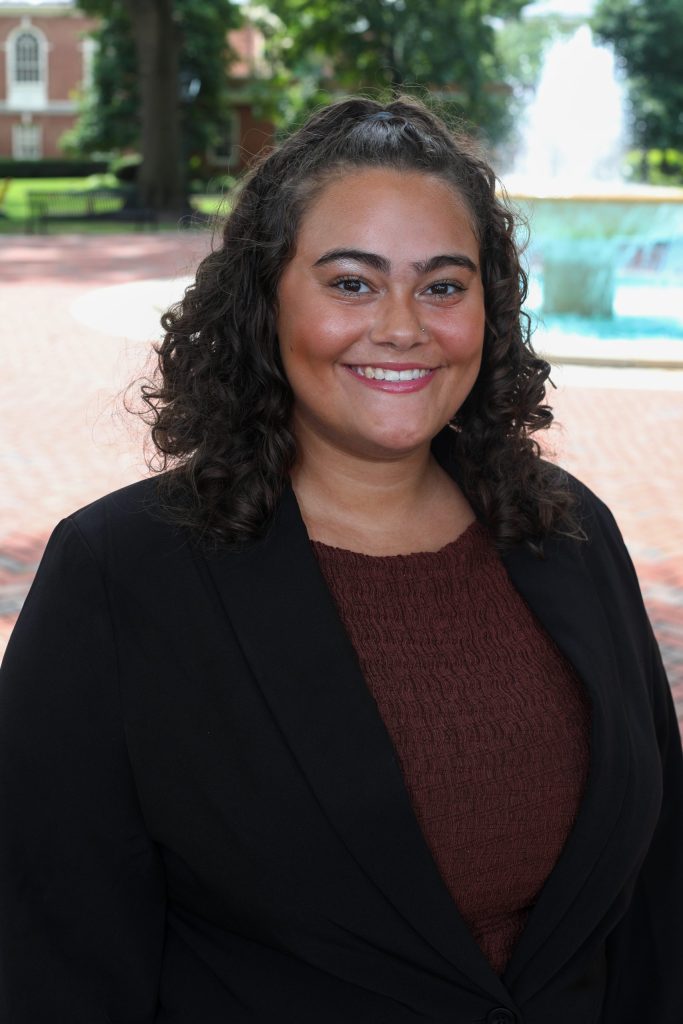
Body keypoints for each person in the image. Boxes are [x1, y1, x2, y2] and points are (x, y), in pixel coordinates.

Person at [0, 97, 681, 1024]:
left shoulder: (567, 531)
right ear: (263, 300)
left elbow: (656, 898)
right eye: (351, 283)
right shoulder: (122, 574)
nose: (401, 326)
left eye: (443, 286)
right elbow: (54, 952)